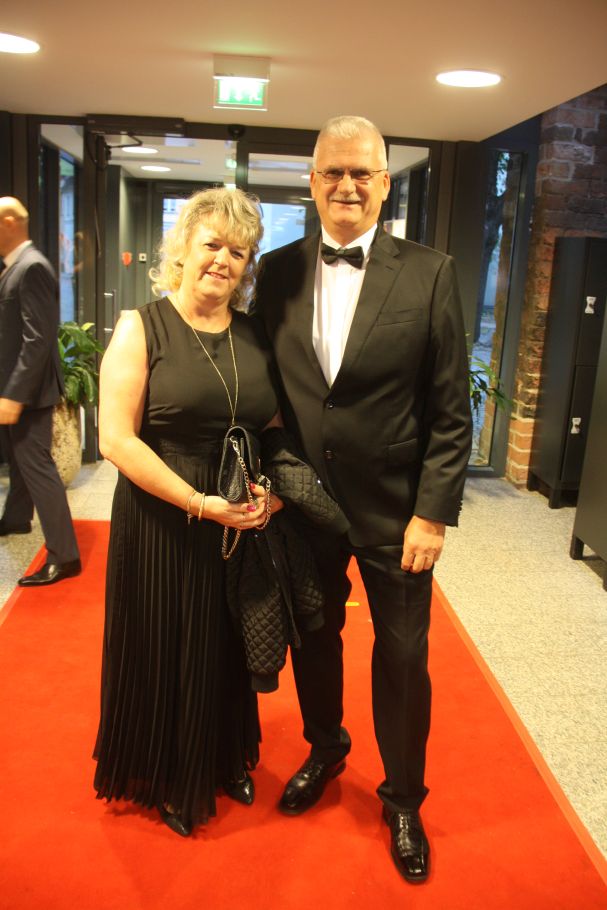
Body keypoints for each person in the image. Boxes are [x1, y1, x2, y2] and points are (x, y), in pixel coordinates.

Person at [254, 116, 472, 883]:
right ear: (311, 182)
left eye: (361, 173)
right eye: (331, 172)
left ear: (384, 183)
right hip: (304, 502)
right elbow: (265, 386)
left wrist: (431, 513)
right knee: (315, 638)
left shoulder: (430, 273)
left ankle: (403, 798)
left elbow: (449, 409)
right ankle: (325, 748)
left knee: (403, 656)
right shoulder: (275, 272)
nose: (345, 186)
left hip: (395, 510)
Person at [93, 188, 281, 837]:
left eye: (238, 252)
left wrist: (269, 492)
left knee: (226, 642)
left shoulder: (254, 334)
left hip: (236, 516)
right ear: (182, 249)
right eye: (212, 245)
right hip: (163, 517)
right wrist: (200, 503)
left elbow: (272, 423)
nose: (223, 260)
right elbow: (115, 440)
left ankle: (224, 756)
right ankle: (168, 773)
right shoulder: (141, 326)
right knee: (167, 644)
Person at [0, 196, 81, 586]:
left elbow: (39, 339)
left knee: (37, 467)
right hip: (17, 387)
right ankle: (16, 518)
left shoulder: (31, 267)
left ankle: (65, 556)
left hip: (29, 392)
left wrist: (15, 394)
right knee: (20, 461)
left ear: (9, 222)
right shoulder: (15, 266)